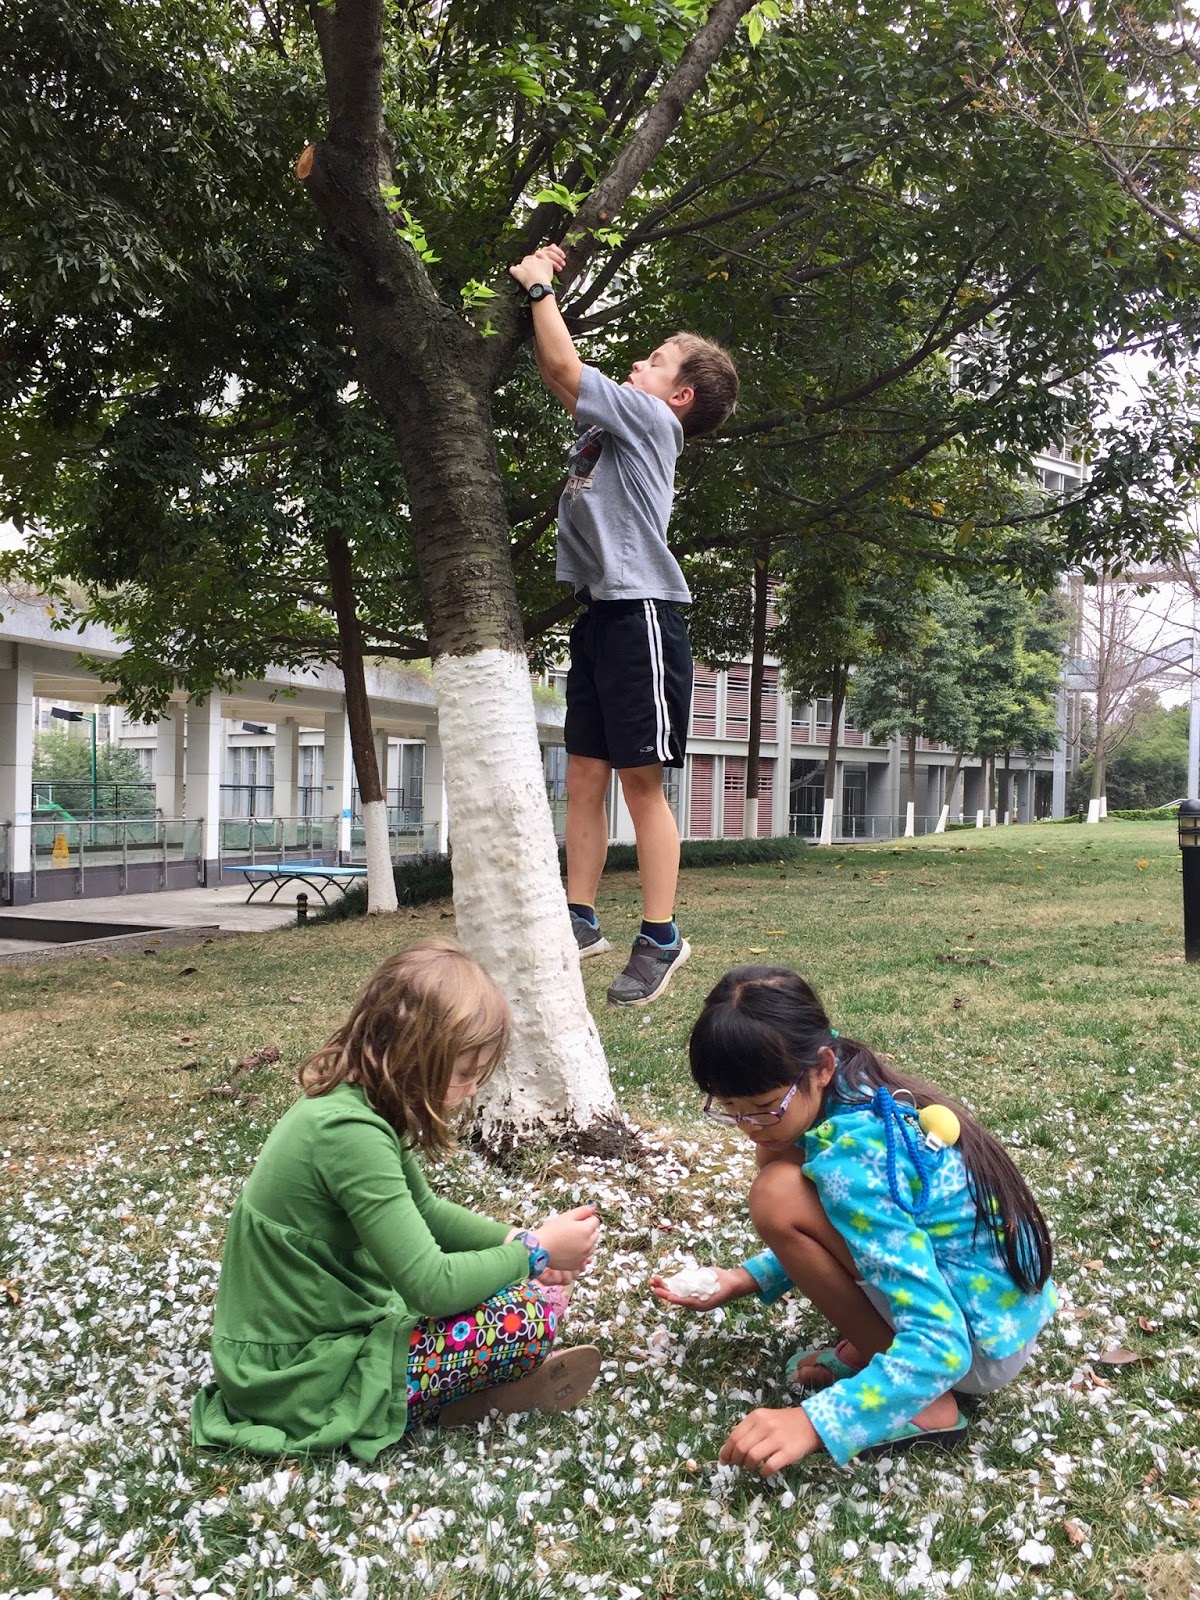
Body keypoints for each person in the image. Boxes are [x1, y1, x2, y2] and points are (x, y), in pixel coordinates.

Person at [192, 941, 602, 1460]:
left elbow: (427, 1212)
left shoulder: (355, 1106)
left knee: (522, 1289)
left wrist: (515, 1239)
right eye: (464, 1073)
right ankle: (476, 1395)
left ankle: (471, 1388)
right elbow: (431, 1285)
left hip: (307, 1346)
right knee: (528, 1316)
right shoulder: (349, 1135)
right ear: (414, 1056)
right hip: (296, 1380)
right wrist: (534, 1253)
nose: (471, 1090)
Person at [651, 966, 1057, 1473]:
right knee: (778, 1167)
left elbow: (943, 1344)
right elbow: (859, 1233)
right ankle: (880, 1352)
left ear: (820, 1066)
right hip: (999, 1318)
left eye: (763, 1107)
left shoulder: (855, 1160)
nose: (749, 1126)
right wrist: (746, 1278)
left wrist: (816, 1422)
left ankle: (928, 1403)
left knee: (776, 1193)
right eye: (730, 1110)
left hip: (976, 1348)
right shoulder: (852, 1086)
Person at [509, 242, 739, 1007]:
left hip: (642, 614)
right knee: (583, 774)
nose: (639, 364)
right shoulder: (620, 420)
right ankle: (578, 919)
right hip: (601, 615)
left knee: (641, 783)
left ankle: (661, 936)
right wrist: (535, 301)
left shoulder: (650, 420)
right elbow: (557, 375)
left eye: (655, 360)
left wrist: (540, 287)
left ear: (679, 395)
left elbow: (566, 368)